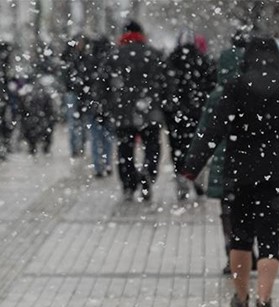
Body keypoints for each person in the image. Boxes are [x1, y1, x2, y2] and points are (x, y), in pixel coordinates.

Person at [183, 38, 279, 307]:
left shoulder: (236, 86)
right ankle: (265, 303)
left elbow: (213, 130)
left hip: (240, 175)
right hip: (278, 174)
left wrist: (192, 165)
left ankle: (241, 300)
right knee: (270, 241)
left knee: (241, 239)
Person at [192, 29, 258, 275]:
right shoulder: (255, 93)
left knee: (228, 211)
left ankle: (233, 254)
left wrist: (194, 164)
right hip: (251, 159)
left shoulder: (218, 96)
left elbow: (204, 132)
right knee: (251, 208)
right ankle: (250, 252)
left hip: (224, 162)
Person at [111, 20, 166, 201]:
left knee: (125, 149)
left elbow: (103, 83)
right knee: (152, 145)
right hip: (150, 109)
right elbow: (164, 82)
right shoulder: (153, 54)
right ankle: (148, 172)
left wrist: (106, 107)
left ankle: (128, 184)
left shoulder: (116, 55)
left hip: (123, 111)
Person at [164, 27, 215, 200]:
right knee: (196, 147)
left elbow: (164, 87)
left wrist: (169, 108)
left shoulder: (171, 60)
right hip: (197, 114)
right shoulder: (203, 60)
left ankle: (181, 180)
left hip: (175, 115)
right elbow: (211, 85)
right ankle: (197, 178)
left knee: (177, 147)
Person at [84, 36, 115, 178]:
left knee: (96, 138)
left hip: (93, 104)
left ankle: (98, 166)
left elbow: (84, 83)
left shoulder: (89, 62)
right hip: (108, 105)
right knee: (108, 137)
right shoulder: (111, 62)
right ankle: (107, 163)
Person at [60, 34, 90, 157]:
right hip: (72, 92)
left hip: (82, 93)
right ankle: (74, 148)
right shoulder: (69, 56)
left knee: (82, 122)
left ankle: (80, 145)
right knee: (73, 122)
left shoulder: (85, 57)